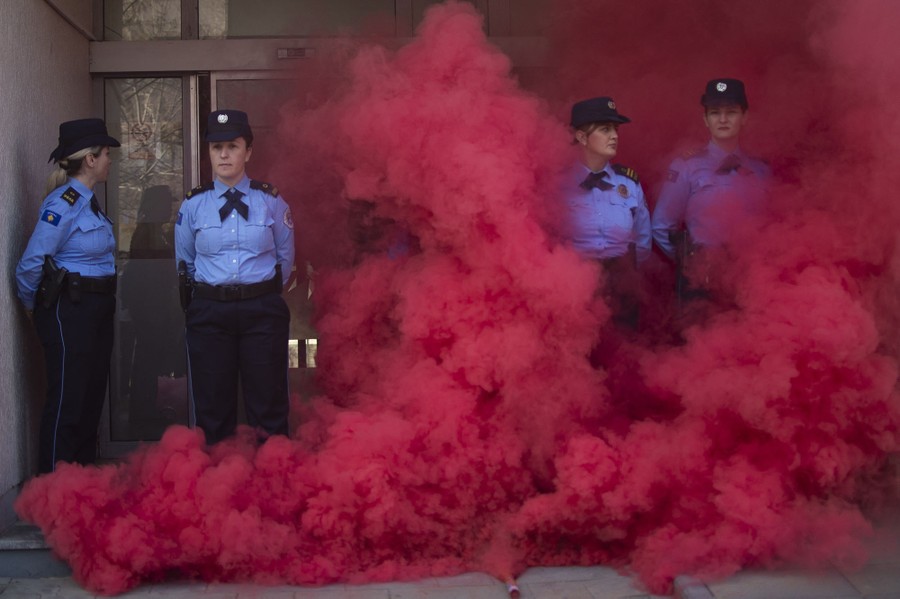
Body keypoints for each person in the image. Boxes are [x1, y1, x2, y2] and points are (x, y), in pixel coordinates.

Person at [175, 109, 295, 444]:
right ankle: (220, 485)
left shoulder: (271, 201)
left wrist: (259, 293)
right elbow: (185, 262)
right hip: (211, 312)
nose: (224, 154)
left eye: (232, 146)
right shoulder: (193, 205)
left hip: (262, 311)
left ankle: (273, 481)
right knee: (213, 406)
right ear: (209, 152)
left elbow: (285, 260)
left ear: (248, 151)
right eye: (216, 147)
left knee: (269, 404)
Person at [15, 118, 120, 473]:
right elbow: (30, 264)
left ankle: (82, 490)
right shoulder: (64, 203)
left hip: (96, 309)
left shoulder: (89, 202)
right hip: (70, 310)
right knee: (68, 402)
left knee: (90, 399)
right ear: (89, 159)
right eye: (106, 153)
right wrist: (34, 310)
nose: (109, 160)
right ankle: (54, 493)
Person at [651, 78, 770, 303]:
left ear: (745, 117)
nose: (723, 119)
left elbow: (770, 224)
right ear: (705, 119)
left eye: (731, 112)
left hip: (751, 275)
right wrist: (691, 264)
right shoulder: (686, 166)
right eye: (715, 112)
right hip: (702, 278)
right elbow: (661, 226)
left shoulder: (761, 169)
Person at [564, 96, 652, 329]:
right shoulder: (558, 184)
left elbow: (643, 240)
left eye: (615, 129)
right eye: (605, 129)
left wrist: (628, 277)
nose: (614, 135)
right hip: (574, 283)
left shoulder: (629, 183)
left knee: (624, 348)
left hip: (622, 283)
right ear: (582, 137)